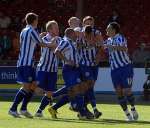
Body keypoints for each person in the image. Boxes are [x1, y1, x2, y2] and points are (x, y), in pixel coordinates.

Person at [8, 12, 53, 118]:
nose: (37, 22)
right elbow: (41, 43)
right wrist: (52, 44)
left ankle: (23, 109)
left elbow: (33, 41)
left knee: (33, 85)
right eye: (37, 20)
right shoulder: (31, 30)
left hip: (28, 63)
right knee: (27, 86)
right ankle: (13, 108)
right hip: (26, 63)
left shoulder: (24, 30)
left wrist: (39, 36)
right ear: (34, 21)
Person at [48, 28, 94, 119]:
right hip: (69, 69)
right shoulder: (65, 41)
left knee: (72, 91)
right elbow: (57, 51)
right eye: (74, 34)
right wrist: (67, 60)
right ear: (70, 34)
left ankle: (54, 107)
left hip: (75, 69)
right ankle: (82, 113)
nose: (76, 36)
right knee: (76, 89)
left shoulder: (71, 43)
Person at [105, 22, 138, 121]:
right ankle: (127, 115)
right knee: (119, 92)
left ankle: (133, 109)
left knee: (126, 91)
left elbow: (124, 48)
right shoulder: (108, 40)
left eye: (108, 29)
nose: (106, 30)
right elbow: (106, 49)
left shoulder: (120, 38)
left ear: (114, 30)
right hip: (114, 70)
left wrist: (113, 47)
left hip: (125, 67)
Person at [35, 20, 62, 117]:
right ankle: (49, 100)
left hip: (53, 70)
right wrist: (54, 44)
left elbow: (59, 49)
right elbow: (52, 46)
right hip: (43, 69)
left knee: (50, 93)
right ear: (49, 29)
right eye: (56, 28)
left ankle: (39, 111)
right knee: (38, 91)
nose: (58, 29)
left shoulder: (60, 39)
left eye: (58, 27)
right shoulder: (44, 38)